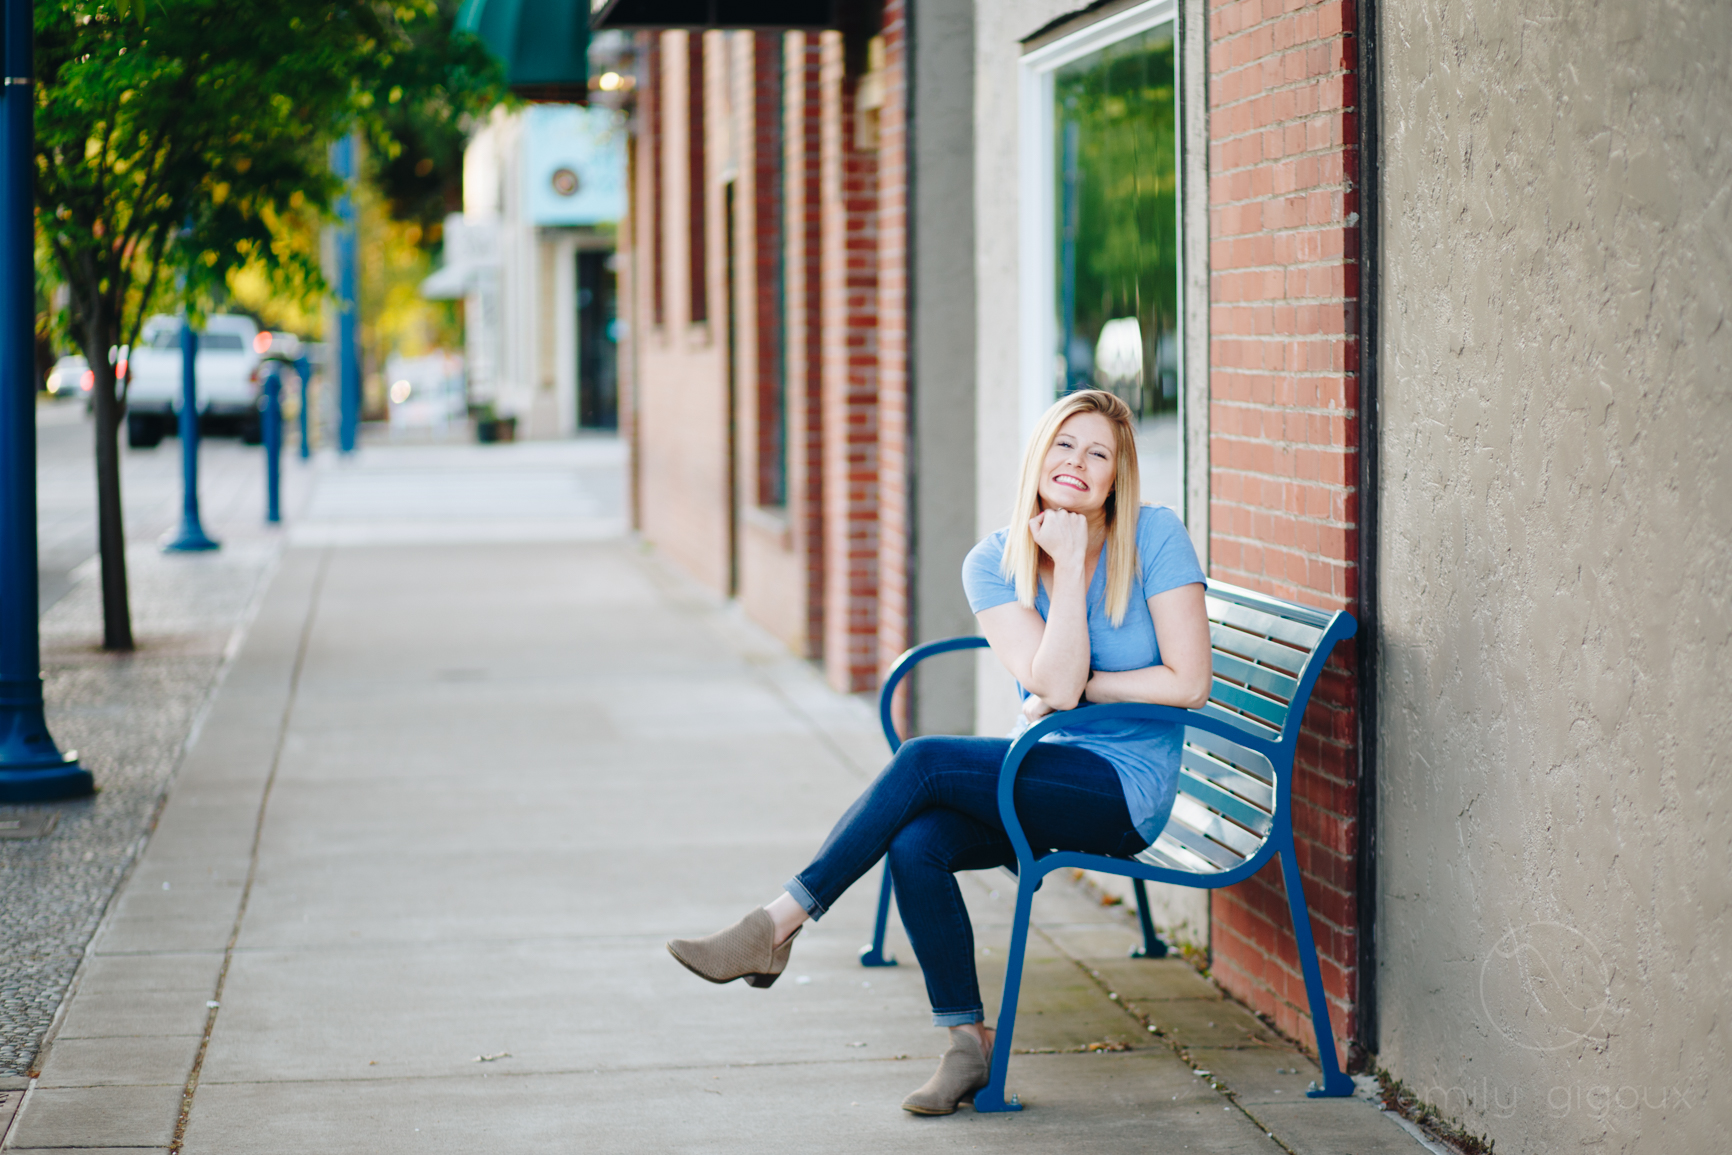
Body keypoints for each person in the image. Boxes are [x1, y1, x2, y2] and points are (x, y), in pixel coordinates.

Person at [667, 389, 1212, 1115]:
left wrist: (1077, 615)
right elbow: (1047, 677)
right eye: (1064, 444)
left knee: (923, 760)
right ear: (1038, 455)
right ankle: (967, 1045)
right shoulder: (993, 560)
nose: (1077, 462)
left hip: (1123, 793)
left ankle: (777, 923)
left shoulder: (1156, 536)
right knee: (915, 843)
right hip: (1043, 770)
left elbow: (1189, 681)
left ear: (1118, 476)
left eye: (1099, 453)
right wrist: (1059, 679)